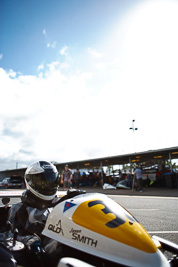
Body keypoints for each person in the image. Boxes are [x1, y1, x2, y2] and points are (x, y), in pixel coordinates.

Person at [7, 161, 61, 267]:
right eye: (43, 181)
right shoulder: (18, 208)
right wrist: (30, 241)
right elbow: (10, 237)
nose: (48, 184)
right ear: (30, 181)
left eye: (51, 180)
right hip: (41, 253)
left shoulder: (59, 204)